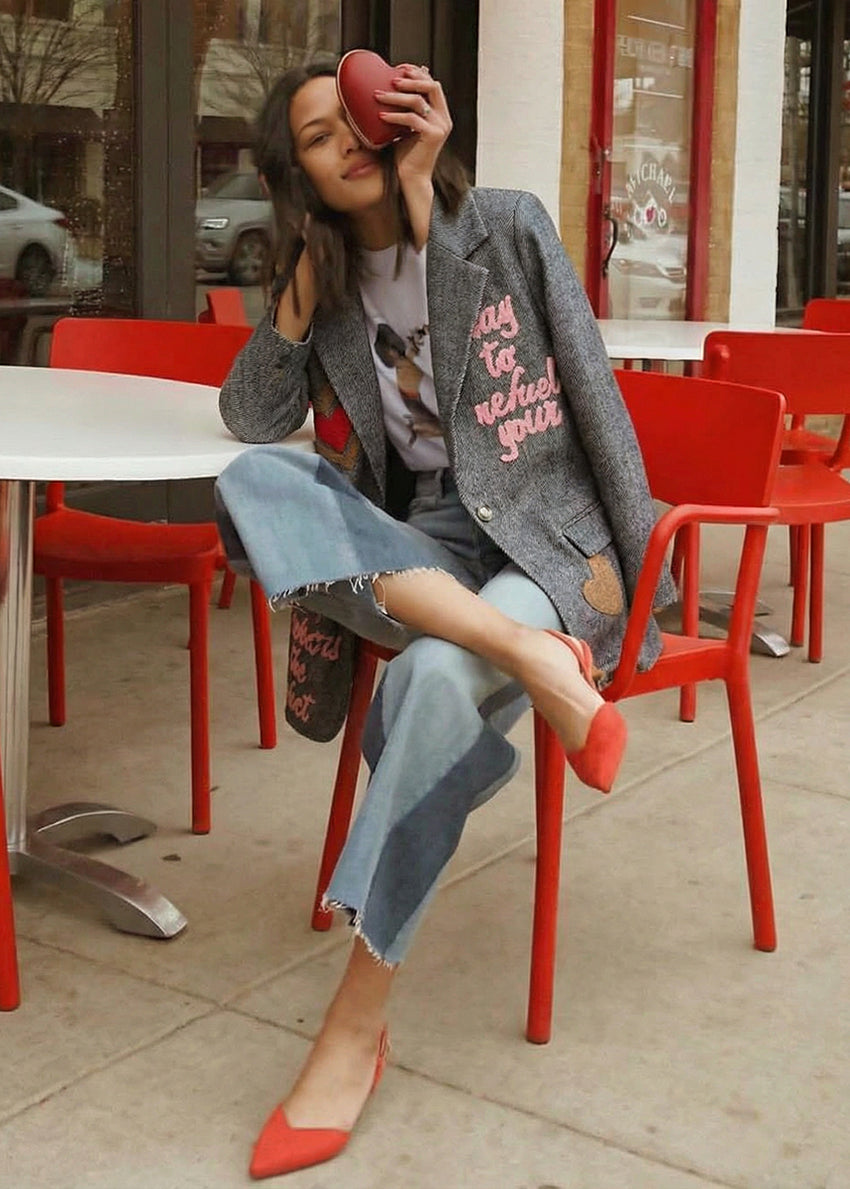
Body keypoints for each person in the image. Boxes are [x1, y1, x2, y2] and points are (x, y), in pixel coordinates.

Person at [214, 55, 674, 1180]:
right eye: (320, 138)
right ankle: (518, 652)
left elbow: (596, 403)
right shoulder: (325, 292)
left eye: (356, 118)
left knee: (423, 683)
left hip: (542, 541)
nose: (351, 141)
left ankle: (353, 1029)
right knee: (257, 484)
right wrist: (303, 284)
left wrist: (637, 587)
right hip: (429, 552)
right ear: (300, 177)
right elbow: (246, 413)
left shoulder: (501, 228)